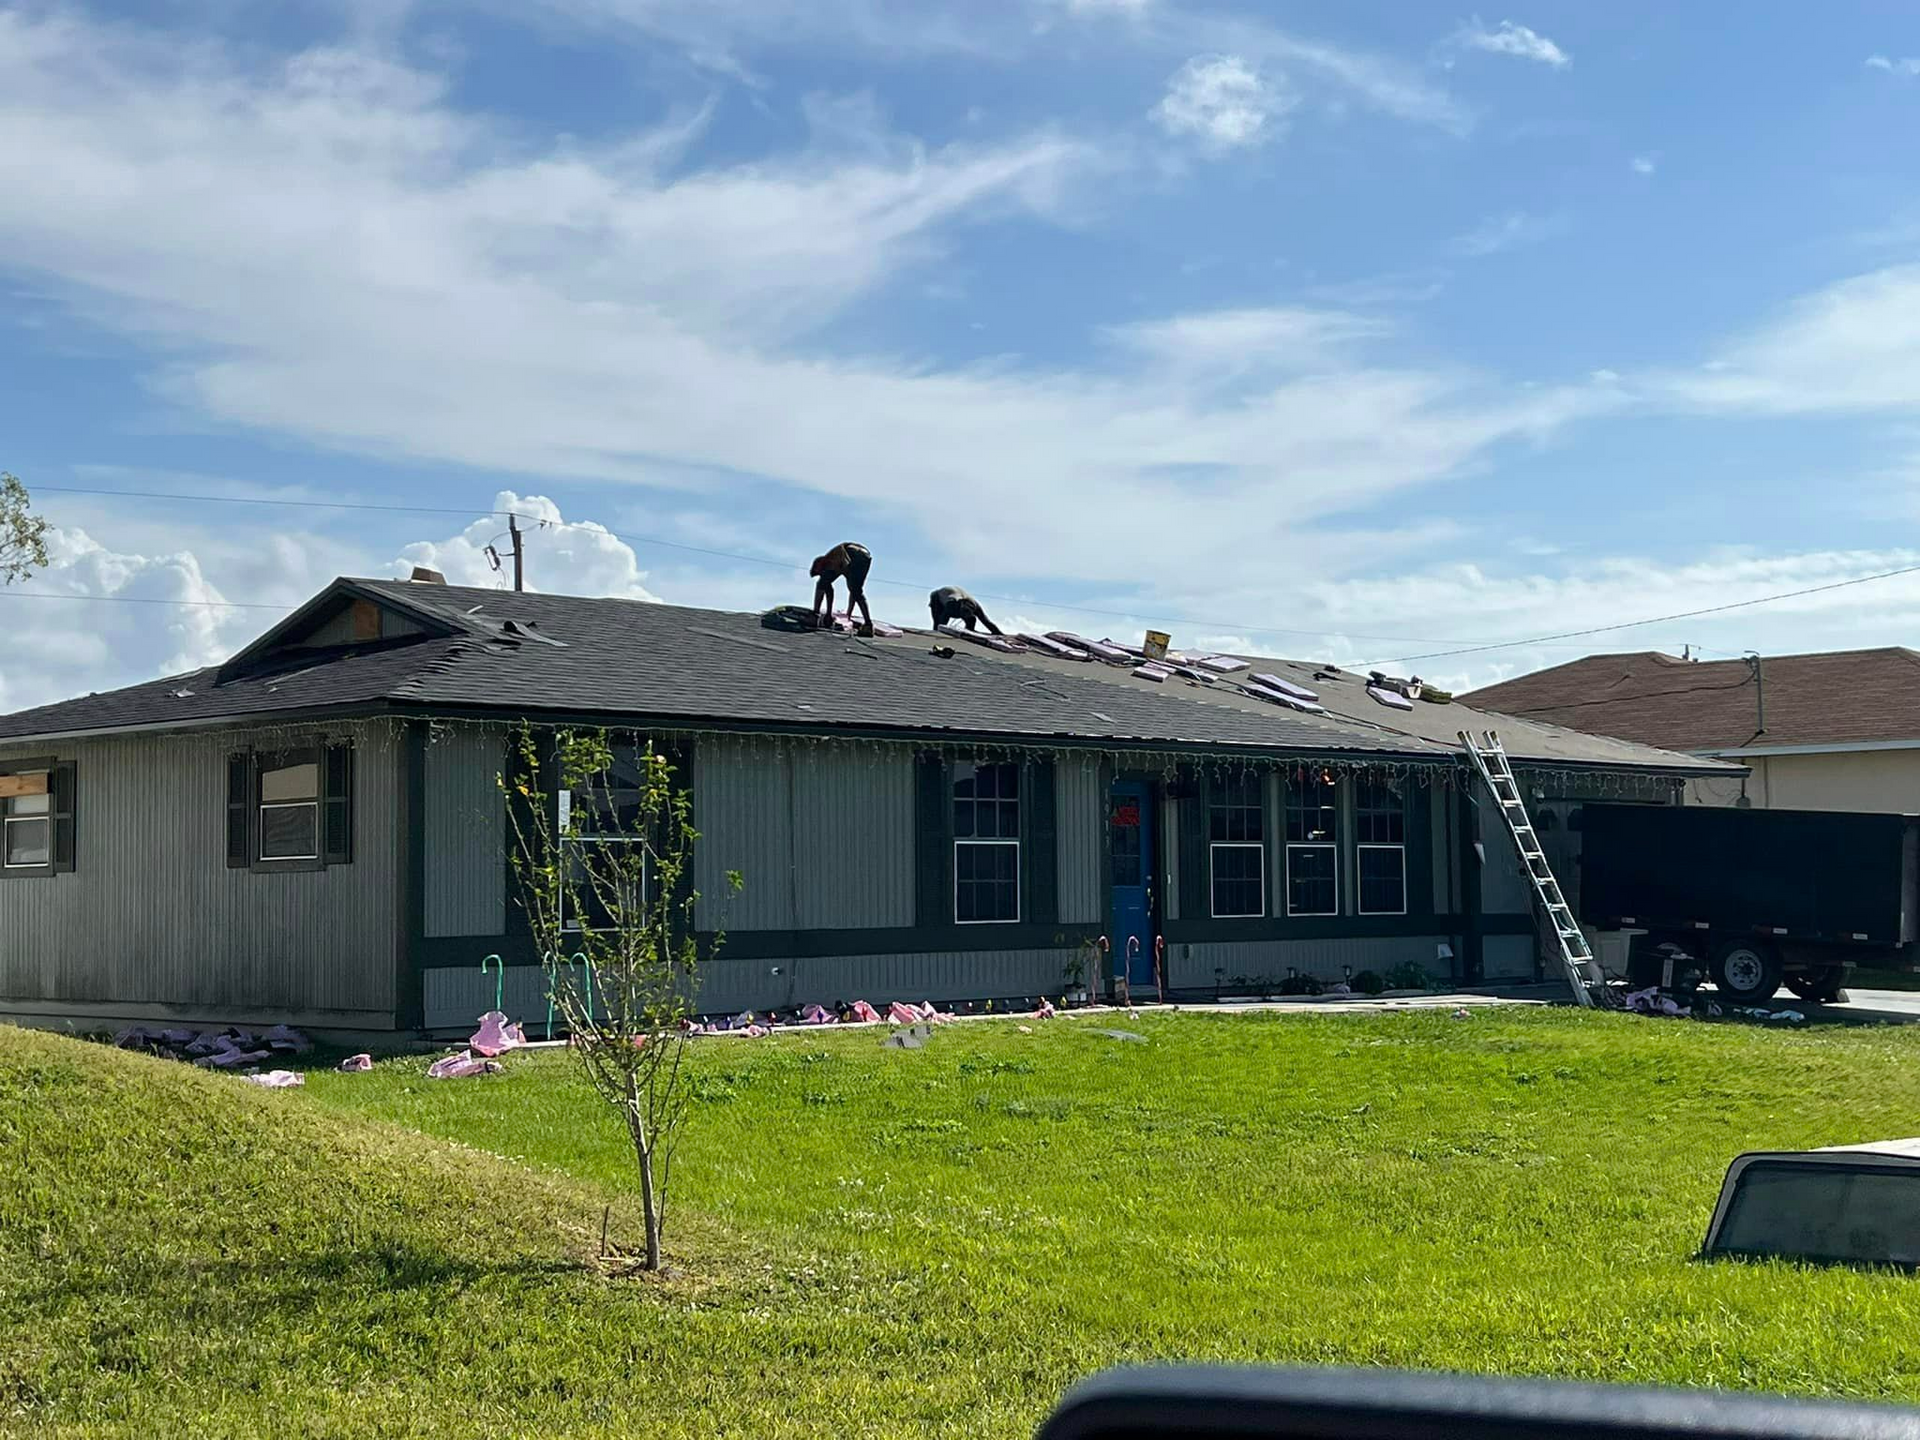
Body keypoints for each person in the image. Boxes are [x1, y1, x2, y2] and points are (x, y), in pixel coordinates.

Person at [810, 542, 873, 636]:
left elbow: (828, 589)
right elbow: (852, 591)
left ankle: (815, 615)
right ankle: (868, 625)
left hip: (853, 553)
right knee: (855, 590)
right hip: (865, 556)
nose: (821, 575)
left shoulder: (828, 562)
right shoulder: (836, 563)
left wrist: (827, 614)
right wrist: (847, 615)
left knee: (822, 583)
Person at [928, 585, 1002, 635]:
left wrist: (999, 634)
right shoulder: (944, 599)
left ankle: (969, 625)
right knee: (941, 616)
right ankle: (969, 626)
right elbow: (986, 622)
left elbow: (986, 621)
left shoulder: (975, 606)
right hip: (958, 599)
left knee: (943, 616)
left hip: (958, 600)